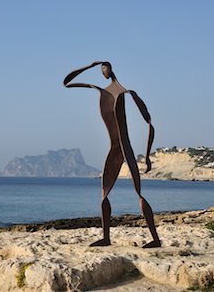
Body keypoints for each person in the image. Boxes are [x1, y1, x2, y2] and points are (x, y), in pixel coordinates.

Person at [63, 61, 161, 248]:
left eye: (104, 69)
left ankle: (155, 239)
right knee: (104, 194)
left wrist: (148, 155)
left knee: (138, 193)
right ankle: (106, 237)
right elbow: (66, 83)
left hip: (126, 147)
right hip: (114, 150)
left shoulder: (126, 93)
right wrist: (91, 65)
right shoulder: (102, 91)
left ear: (111, 69)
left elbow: (149, 122)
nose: (103, 72)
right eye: (100, 70)